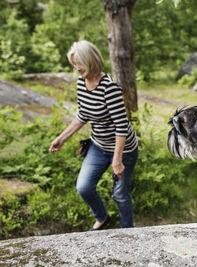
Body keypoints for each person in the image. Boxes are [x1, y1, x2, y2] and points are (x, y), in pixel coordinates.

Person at [49, 40, 139, 230]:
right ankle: (102, 218)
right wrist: (61, 138)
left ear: (91, 61)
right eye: (73, 64)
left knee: (120, 194)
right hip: (98, 146)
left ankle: (128, 232)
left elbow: (121, 125)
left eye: (79, 63)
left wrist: (117, 159)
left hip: (124, 149)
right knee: (84, 187)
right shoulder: (81, 83)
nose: (76, 68)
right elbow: (83, 114)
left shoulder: (110, 88)